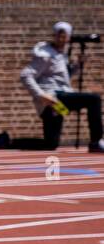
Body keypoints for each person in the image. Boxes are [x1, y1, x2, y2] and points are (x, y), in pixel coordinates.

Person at [20, 22, 104, 152]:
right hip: (53, 97)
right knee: (94, 99)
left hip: (59, 101)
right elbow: (26, 75)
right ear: (53, 36)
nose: (61, 39)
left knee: (51, 144)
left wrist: (78, 65)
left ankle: (10, 142)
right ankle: (96, 142)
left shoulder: (61, 54)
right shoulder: (45, 54)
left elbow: (62, 78)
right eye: (58, 36)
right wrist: (41, 95)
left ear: (68, 37)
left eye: (64, 36)